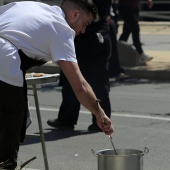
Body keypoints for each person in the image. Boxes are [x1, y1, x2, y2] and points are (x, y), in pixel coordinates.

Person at [0, 0, 114, 169]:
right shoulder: (62, 29)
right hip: (5, 59)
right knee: (11, 120)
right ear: (75, 14)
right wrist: (100, 113)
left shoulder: (34, 6)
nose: (83, 31)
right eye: (85, 24)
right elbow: (80, 86)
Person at [47, 0, 112, 131]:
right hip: (86, 35)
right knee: (71, 78)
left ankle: (101, 120)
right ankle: (67, 118)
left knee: (96, 80)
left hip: (94, 34)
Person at [107, 0, 130, 81]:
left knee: (112, 46)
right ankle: (115, 72)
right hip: (104, 19)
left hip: (110, 15)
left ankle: (115, 71)